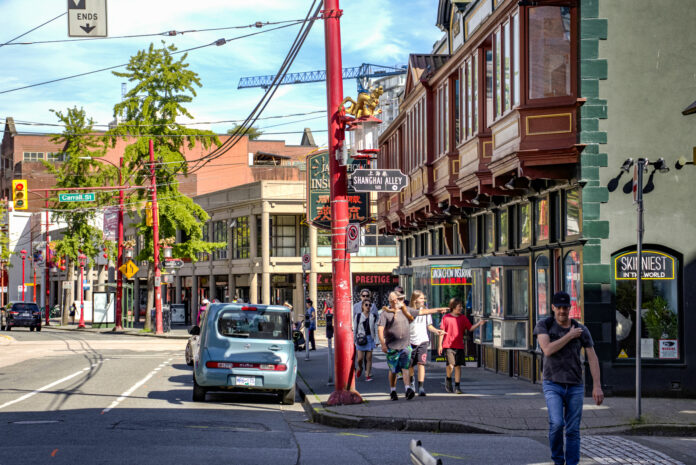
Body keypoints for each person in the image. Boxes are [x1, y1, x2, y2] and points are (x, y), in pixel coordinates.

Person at [534, 291, 603, 465]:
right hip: (552, 383)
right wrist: (569, 336)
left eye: (565, 307)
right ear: (553, 308)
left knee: (572, 430)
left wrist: (597, 386)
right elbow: (547, 349)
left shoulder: (582, 329)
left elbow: (592, 357)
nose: (562, 311)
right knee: (557, 424)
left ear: (570, 308)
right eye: (559, 308)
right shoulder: (544, 325)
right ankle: (558, 460)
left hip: (575, 386)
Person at [438, 297, 486, 394]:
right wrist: (440, 345)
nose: (461, 308)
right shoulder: (446, 318)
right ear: (453, 307)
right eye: (459, 306)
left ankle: (457, 387)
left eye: (461, 306)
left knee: (458, 366)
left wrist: (479, 324)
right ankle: (448, 379)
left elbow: (470, 328)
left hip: (459, 345)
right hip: (448, 345)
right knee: (451, 365)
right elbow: (441, 332)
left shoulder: (463, 318)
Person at [407, 290, 446, 396]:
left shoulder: (426, 311)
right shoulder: (409, 310)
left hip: (423, 340)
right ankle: (411, 383)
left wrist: (436, 331)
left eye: (424, 298)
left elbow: (429, 326)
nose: (423, 300)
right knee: (410, 365)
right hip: (410, 341)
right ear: (415, 300)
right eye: (421, 298)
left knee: (421, 363)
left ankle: (421, 387)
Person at [354, 298, 378, 381]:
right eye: (366, 305)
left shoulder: (373, 316)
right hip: (361, 339)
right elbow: (355, 329)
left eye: (369, 305)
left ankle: (367, 374)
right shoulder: (358, 316)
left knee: (369, 358)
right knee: (359, 358)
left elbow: (376, 329)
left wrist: (377, 340)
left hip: (370, 338)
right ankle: (360, 368)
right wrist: (354, 341)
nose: (368, 307)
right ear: (362, 306)